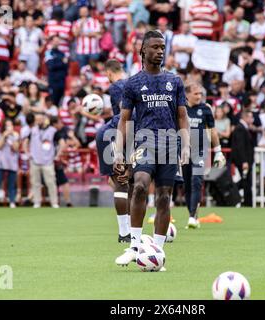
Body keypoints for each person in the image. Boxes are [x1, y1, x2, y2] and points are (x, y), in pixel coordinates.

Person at [113, 30, 190, 268]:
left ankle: (157, 252)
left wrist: (186, 145)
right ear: (143, 50)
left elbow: (182, 116)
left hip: (169, 145)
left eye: (162, 47)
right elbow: (124, 120)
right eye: (155, 47)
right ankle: (135, 247)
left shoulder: (175, 81)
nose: (159, 51)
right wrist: (118, 151)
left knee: (165, 198)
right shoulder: (133, 83)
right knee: (139, 186)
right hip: (144, 143)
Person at [95, 59, 131, 242]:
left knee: (117, 181)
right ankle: (132, 227)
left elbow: (122, 115)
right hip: (135, 133)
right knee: (126, 182)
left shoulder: (116, 87)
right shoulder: (132, 82)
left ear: (108, 72)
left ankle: (124, 231)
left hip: (116, 136)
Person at [182, 82, 225, 229]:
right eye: (196, 93)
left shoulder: (206, 109)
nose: (199, 96)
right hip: (184, 152)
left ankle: (192, 216)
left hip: (200, 151)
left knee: (196, 181)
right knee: (187, 185)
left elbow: (212, 131)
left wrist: (218, 151)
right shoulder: (180, 108)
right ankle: (193, 215)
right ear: (187, 95)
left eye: (200, 93)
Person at [23, 112, 59, 209]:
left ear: (44, 119)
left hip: (47, 160)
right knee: (35, 183)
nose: (38, 121)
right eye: (37, 119)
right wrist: (27, 153)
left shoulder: (52, 130)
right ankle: (37, 202)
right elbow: (25, 142)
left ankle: (54, 202)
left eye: (40, 119)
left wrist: (57, 155)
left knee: (50, 182)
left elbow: (61, 142)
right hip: (35, 160)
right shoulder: (33, 130)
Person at [0, 119, 20, 209]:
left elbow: (16, 148)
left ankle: (12, 201)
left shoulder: (15, 135)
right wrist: (4, 136)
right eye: (7, 126)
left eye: (11, 125)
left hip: (11, 162)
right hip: (0, 162)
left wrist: (11, 139)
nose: (9, 128)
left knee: (11, 184)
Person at [230, 111, 255, 207]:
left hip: (245, 161)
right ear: (245, 117)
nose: (252, 119)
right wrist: (244, 161)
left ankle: (246, 202)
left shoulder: (243, 128)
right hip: (242, 162)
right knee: (245, 182)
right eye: (251, 117)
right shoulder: (240, 128)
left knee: (246, 182)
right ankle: (246, 203)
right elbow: (240, 146)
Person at [45, 35, 68, 106]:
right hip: (53, 81)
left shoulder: (62, 53)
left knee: (60, 102)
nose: (56, 42)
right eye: (55, 41)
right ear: (51, 42)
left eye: (58, 41)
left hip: (61, 80)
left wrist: (56, 62)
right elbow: (50, 66)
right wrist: (61, 62)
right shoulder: (48, 52)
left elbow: (66, 66)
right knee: (53, 101)